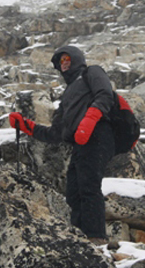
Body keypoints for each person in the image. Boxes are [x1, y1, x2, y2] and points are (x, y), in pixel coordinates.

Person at [9, 45, 115, 244]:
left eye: (67, 59)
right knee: (74, 192)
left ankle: (96, 238)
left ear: (76, 58)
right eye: (60, 62)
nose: (64, 64)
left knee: (89, 186)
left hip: (99, 134)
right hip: (80, 143)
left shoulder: (92, 72)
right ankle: (78, 238)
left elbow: (105, 94)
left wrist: (89, 121)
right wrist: (26, 125)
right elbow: (56, 133)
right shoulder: (67, 96)